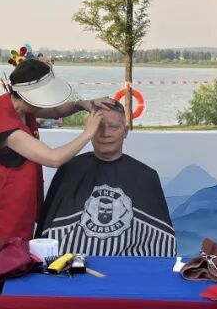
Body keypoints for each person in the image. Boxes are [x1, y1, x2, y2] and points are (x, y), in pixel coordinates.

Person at [0, 58, 115, 242]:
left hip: (0, 200)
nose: (47, 103)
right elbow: (54, 158)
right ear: (29, 97)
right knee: (1, 259)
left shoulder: (9, 101)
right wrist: (88, 133)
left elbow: (55, 111)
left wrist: (81, 104)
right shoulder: (9, 131)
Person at [37, 105, 175, 256]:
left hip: (129, 265)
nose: (105, 134)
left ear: (125, 131)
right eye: (98, 127)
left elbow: (162, 240)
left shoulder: (146, 176)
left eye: (113, 127)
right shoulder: (69, 170)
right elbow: (47, 232)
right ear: (89, 131)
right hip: (73, 264)